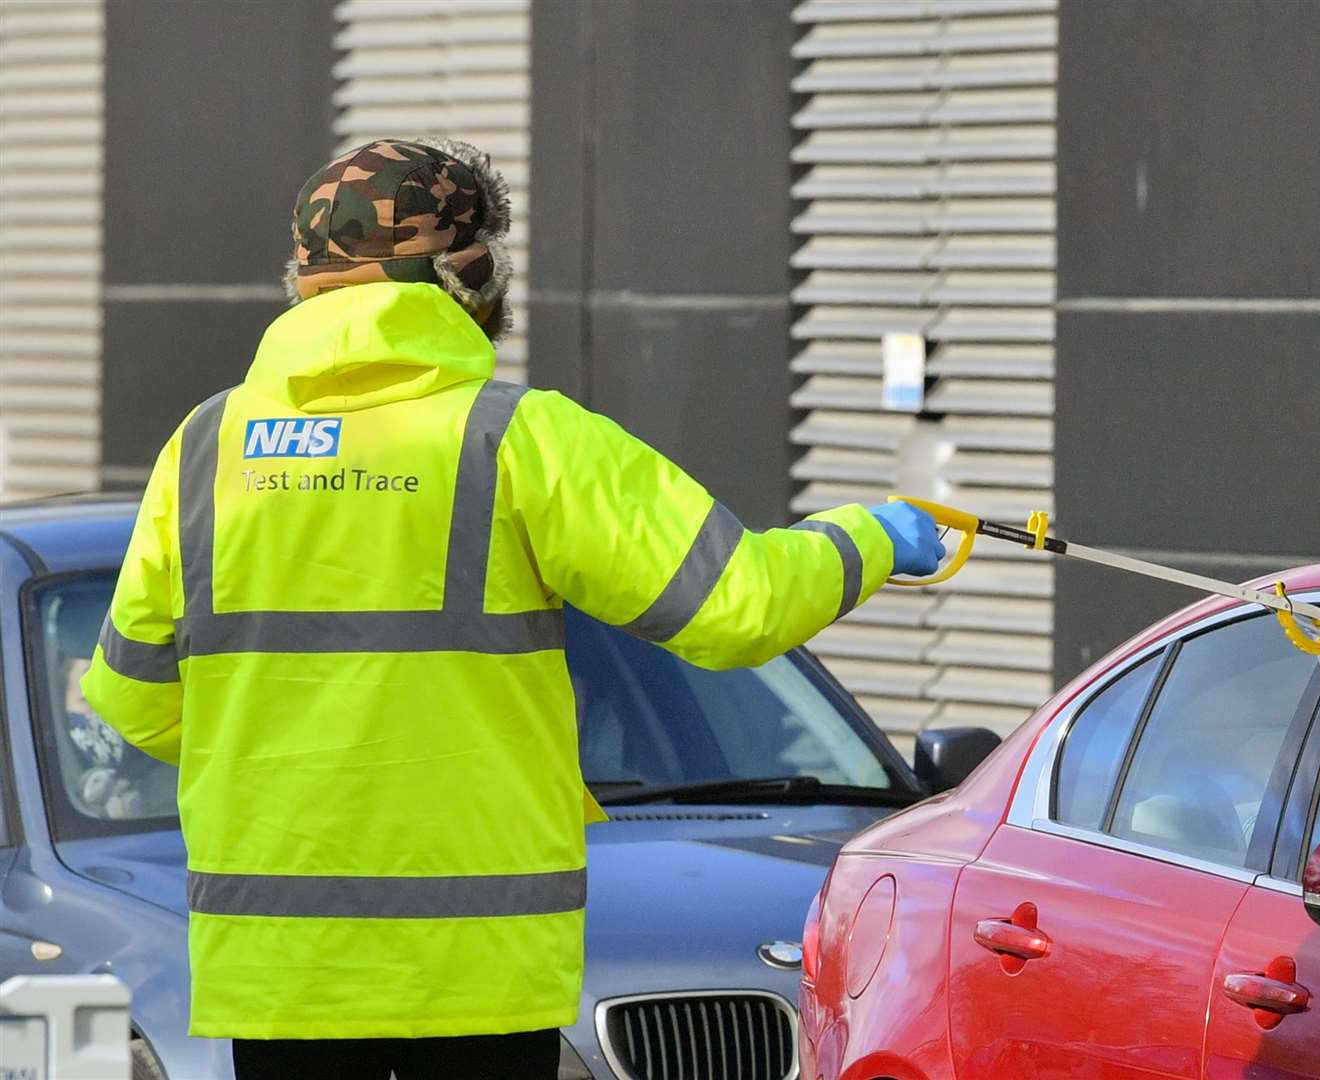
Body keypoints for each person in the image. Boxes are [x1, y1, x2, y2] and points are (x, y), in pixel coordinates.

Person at [82, 138, 945, 1080]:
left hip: (280, 979)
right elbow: (738, 607)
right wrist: (870, 537)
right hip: (476, 974)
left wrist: (299, 742)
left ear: (306, 283)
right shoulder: (516, 438)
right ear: (469, 272)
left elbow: (134, 700)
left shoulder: (205, 449)